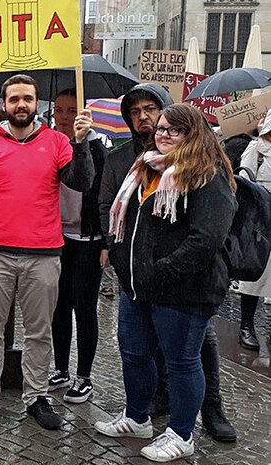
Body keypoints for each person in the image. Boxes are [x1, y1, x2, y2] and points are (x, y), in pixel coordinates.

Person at [0, 74, 94, 430]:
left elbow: (81, 181)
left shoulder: (57, 141)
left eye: (27, 99)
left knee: (39, 330)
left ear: (36, 104)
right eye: (14, 99)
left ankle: (36, 395)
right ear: (4, 104)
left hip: (43, 253)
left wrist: (81, 143)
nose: (21, 105)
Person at [94, 104, 236, 462]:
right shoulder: (146, 168)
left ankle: (182, 434)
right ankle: (137, 417)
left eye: (174, 130)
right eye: (160, 129)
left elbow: (205, 240)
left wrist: (162, 271)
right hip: (138, 286)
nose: (163, 135)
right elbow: (125, 220)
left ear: (194, 134)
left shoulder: (208, 175)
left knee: (183, 362)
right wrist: (123, 261)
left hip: (183, 291)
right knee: (135, 353)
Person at [48, 89, 108, 404]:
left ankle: (83, 376)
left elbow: (103, 196)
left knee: (85, 309)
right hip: (57, 238)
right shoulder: (52, 143)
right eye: (59, 109)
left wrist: (105, 241)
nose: (64, 116)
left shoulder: (97, 148)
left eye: (71, 110)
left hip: (87, 239)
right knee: (59, 308)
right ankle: (60, 368)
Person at [237, 112, 271, 351]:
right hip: (261, 222)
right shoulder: (256, 150)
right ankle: (246, 326)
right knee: (255, 274)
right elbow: (243, 185)